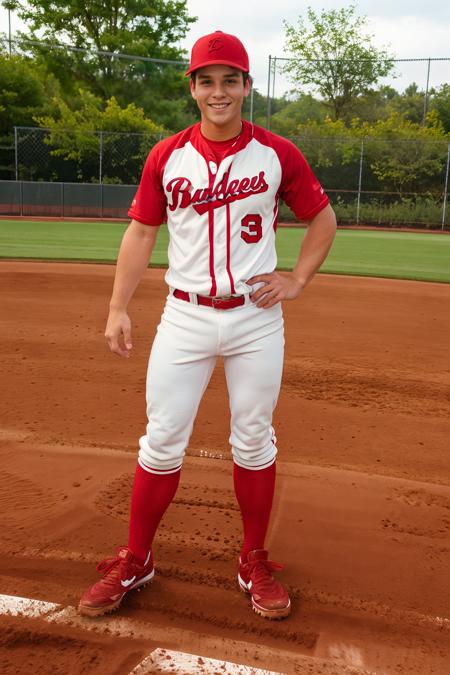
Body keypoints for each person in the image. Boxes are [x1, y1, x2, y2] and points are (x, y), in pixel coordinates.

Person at [78, 30, 336, 621]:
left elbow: (322, 219)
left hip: (255, 318)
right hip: (185, 316)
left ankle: (254, 559)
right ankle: (137, 558)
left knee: (253, 437)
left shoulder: (277, 153)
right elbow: (142, 232)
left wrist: (296, 279)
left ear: (247, 86)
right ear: (193, 89)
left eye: (230, 80)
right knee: (162, 439)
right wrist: (118, 307)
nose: (218, 91)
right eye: (206, 81)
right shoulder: (167, 155)